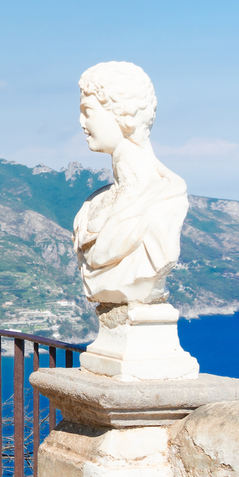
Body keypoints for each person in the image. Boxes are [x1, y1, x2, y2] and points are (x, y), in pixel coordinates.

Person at [72, 62, 188, 305]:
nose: (81, 122)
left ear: (123, 114)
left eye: (87, 111)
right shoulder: (94, 202)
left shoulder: (164, 199)